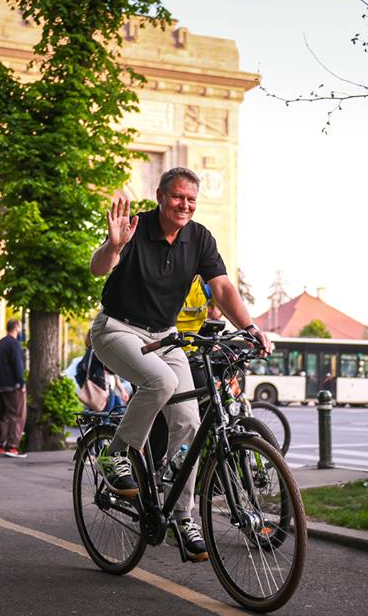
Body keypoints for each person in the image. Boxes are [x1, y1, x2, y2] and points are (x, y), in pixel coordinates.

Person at [89, 167, 271, 562]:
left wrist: (250, 326)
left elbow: (221, 287)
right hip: (117, 328)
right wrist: (114, 245)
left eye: (191, 199)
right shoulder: (137, 227)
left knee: (188, 422)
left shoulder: (199, 237)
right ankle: (114, 455)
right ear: (160, 196)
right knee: (161, 382)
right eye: (177, 197)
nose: (184, 205)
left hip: (165, 337)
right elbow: (99, 267)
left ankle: (181, 518)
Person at [0, 318, 27, 458]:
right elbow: (18, 364)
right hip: (12, 385)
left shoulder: (1, 342)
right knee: (16, 415)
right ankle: (12, 447)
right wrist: (21, 382)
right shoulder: (15, 344)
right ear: (16, 327)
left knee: (1, 415)